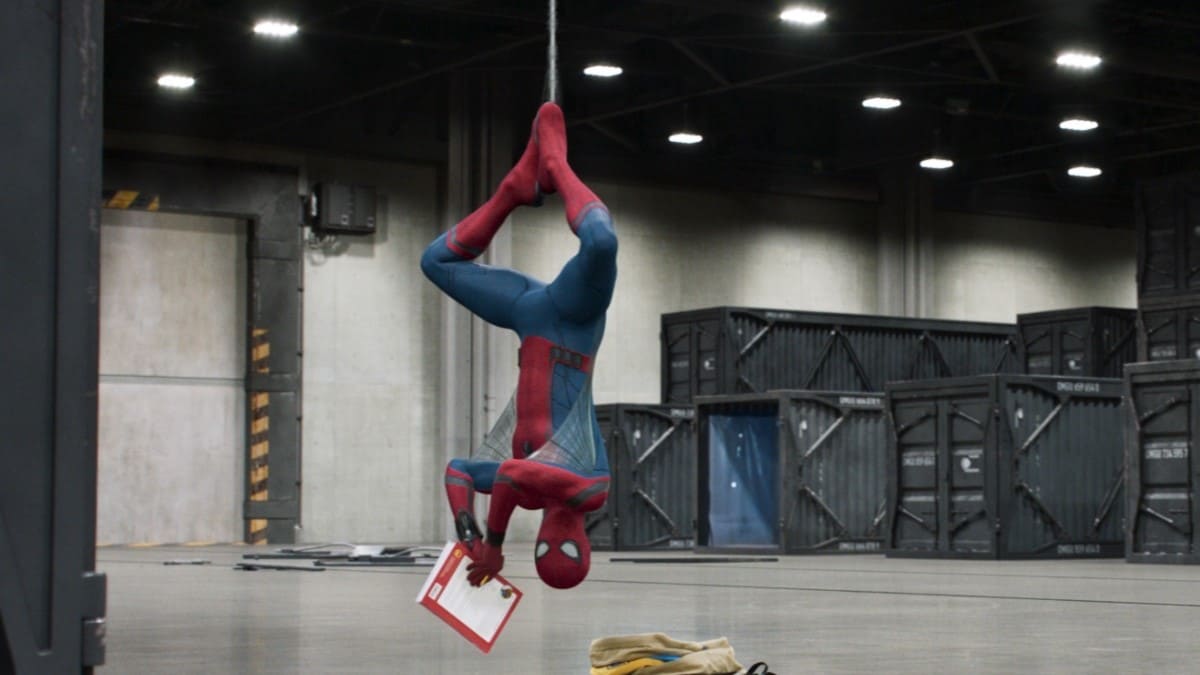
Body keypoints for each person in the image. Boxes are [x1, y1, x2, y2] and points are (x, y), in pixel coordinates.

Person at [420, 102, 617, 590]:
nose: (554, 540)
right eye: (567, 549)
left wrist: (467, 529)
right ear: (584, 544)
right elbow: (510, 472)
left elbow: (459, 472)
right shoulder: (589, 490)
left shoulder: (529, 496)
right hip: (573, 320)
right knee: (600, 244)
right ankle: (556, 165)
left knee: (436, 262)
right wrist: (493, 542)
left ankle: (513, 190)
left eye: (546, 550)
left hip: (529, 320)